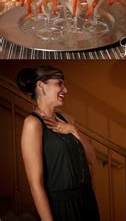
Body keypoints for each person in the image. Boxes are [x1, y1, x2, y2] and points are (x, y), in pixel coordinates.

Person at [16, 66, 100, 221]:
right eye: (59, 83)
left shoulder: (66, 119)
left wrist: (73, 130)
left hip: (87, 199)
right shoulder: (32, 124)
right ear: (41, 86)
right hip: (62, 206)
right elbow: (36, 185)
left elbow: (92, 158)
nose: (65, 89)